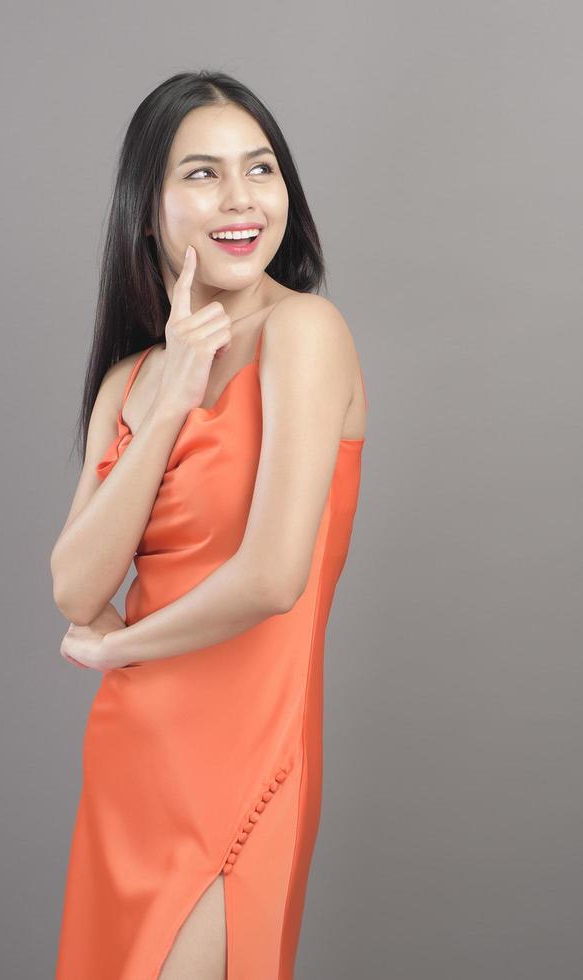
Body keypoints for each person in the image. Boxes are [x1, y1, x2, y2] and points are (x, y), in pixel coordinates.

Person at [49, 70, 367, 979]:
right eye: (202, 174)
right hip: (131, 764)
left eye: (260, 169)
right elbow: (75, 584)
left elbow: (273, 578)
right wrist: (173, 399)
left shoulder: (307, 331)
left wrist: (118, 650)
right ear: (146, 211)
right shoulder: (132, 379)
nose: (241, 200)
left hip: (243, 763)